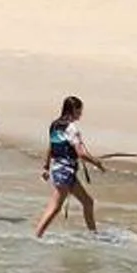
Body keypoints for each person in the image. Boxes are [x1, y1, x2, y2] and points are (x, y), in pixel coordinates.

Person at [36, 96, 104, 237]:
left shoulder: (54, 125)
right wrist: (96, 163)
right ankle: (37, 235)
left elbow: (51, 147)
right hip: (65, 171)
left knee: (88, 202)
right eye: (80, 110)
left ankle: (93, 234)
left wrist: (46, 166)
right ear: (74, 110)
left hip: (59, 170)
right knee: (55, 207)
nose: (81, 114)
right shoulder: (71, 128)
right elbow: (81, 154)